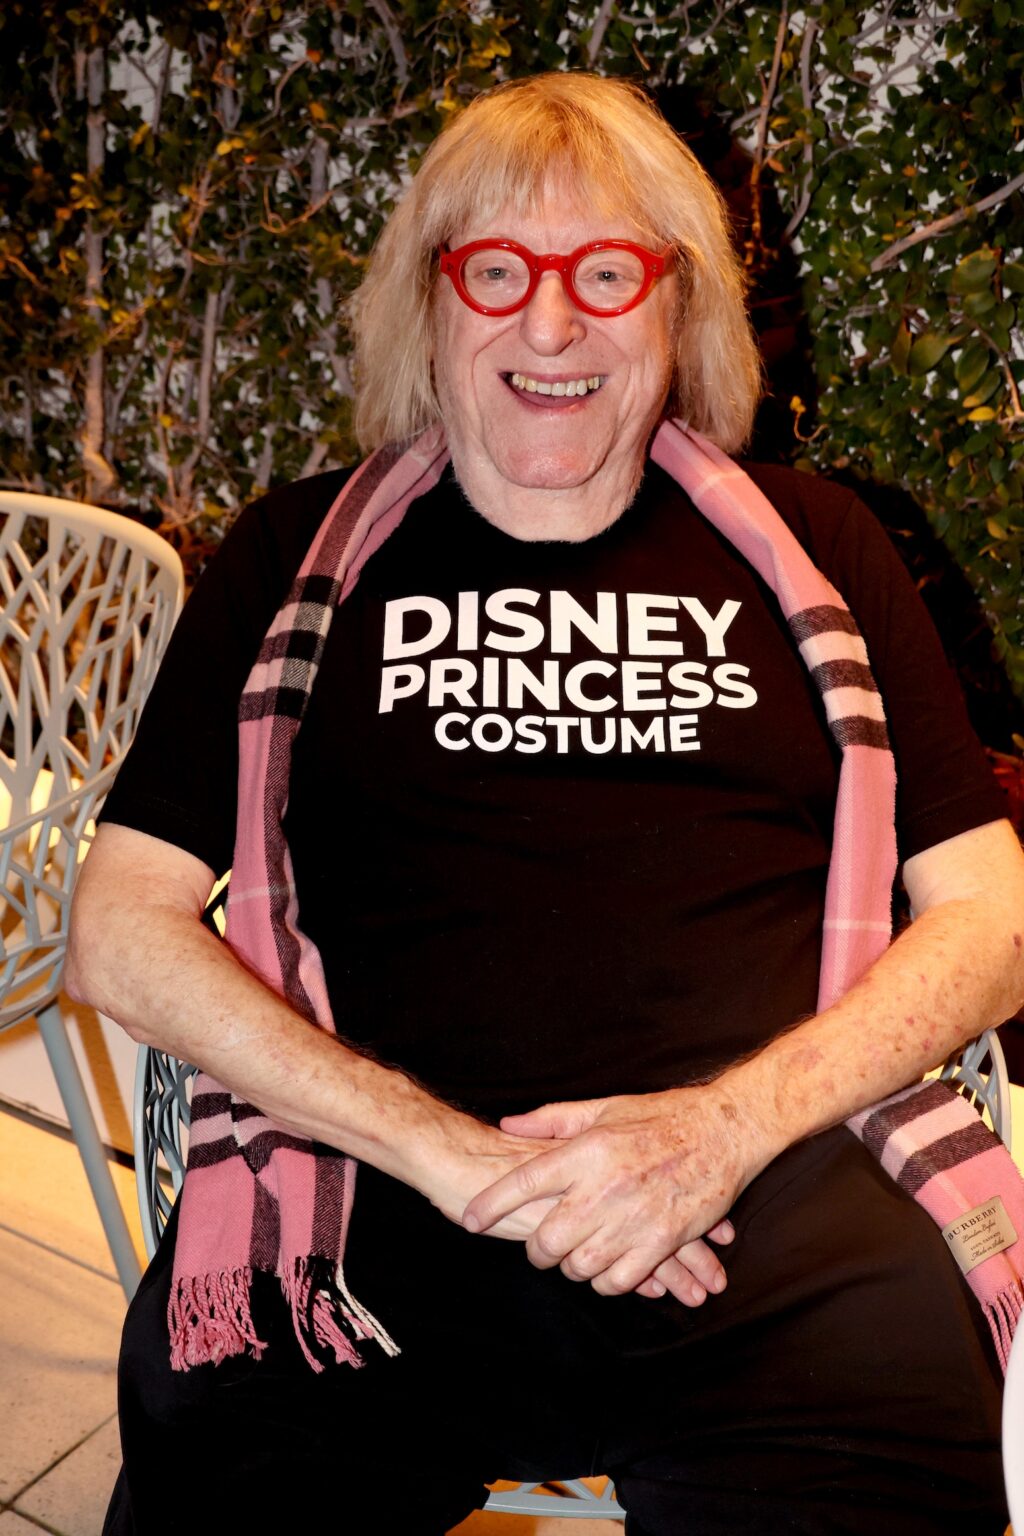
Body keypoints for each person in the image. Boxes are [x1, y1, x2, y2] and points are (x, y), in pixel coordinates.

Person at [67, 72, 1024, 1536]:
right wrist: (459, 1158)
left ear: (678, 310)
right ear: (431, 306)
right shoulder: (289, 559)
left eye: (608, 274)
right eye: (498, 272)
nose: (553, 326)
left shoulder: (830, 547)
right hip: (366, 1226)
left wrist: (713, 1133)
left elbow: (993, 917)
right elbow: (121, 930)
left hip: (781, 1216)